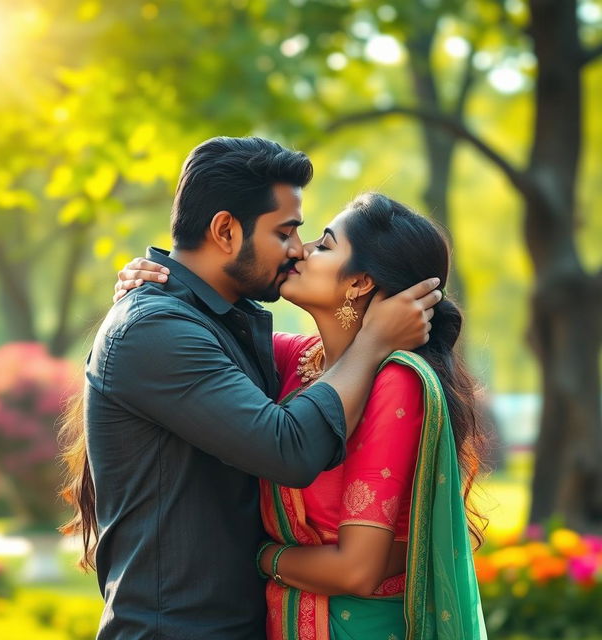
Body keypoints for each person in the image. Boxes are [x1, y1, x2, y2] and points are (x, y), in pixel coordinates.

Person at [59, 137, 441, 640]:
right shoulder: (156, 330)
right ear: (225, 229)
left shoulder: (236, 330)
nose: (297, 250)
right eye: (285, 232)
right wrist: (373, 341)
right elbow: (289, 449)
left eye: (314, 240)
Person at [118, 192, 489, 639]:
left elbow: (356, 570)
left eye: (325, 245)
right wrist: (149, 286)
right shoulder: (292, 361)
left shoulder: (396, 382)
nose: (300, 250)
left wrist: (258, 556)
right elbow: (185, 340)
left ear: (360, 283)